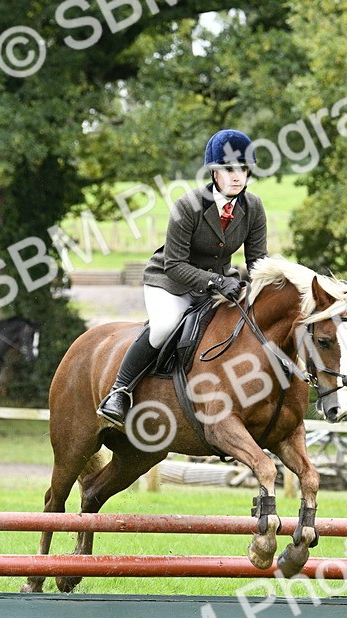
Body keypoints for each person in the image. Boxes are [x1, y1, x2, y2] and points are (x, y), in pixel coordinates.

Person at [97, 129, 269, 426]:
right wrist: (217, 282)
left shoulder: (253, 208)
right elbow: (175, 264)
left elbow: (257, 262)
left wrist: (261, 289)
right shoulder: (188, 206)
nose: (237, 176)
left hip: (217, 283)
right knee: (164, 327)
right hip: (170, 282)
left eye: (243, 169)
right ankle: (119, 391)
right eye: (229, 169)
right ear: (214, 173)